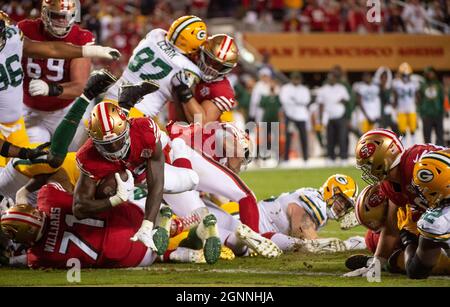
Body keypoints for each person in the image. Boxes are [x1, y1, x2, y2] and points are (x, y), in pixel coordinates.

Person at [0, 11, 119, 168]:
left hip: (19, 122)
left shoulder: (12, 36)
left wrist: (91, 51)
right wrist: (21, 152)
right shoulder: (25, 29)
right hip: (23, 115)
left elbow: (51, 49)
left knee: (46, 165)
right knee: (17, 170)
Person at [18, 0, 105, 148]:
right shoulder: (25, 29)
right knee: (35, 159)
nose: (61, 21)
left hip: (66, 110)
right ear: (44, 13)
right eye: (56, 15)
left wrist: (50, 89)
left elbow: (79, 86)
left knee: (72, 158)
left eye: (66, 16)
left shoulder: (81, 37)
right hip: (30, 110)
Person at [205, 174, 365, 254]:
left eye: (346, 205)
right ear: (331, 191)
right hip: (244, 223)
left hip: (248, 224)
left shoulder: (314, 197)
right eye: (341, 200)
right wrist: (349, 245)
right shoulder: (317, 202)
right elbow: (303, 231)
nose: (342, 207)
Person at [105, 15, 207, 118]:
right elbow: (188, 112)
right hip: (136, 114)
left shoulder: (156, 34)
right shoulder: (189, 68)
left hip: (108, 101)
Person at [316, 70, 350, 164]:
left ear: (336, 78)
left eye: (334, 77)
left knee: (342, 138)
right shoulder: (323, 89)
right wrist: (320, 118)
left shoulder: (341, 88)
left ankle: (343, 158)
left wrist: (340, 101)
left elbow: (347, 100)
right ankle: (331, 158)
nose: (332, 79)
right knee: (330, 138)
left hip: (340, 115)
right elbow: (320, 105)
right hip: (328, 116)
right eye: (330, 77)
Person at [279, 72, 310, 162]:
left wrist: (294, 100)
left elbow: (306, 101)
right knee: (288, 137)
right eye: (294, 78)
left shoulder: (304, 89)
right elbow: (284, 100)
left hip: (301, 116)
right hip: (290, 116)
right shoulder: (286, 88)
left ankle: (305, 158)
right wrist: (297, 101)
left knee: (303, 137)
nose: (296, 80)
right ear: (291, 79)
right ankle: (286, 158)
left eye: (298, 79)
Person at [392, 62, 419, 146]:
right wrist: (394, 107)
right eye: (404, 75)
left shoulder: (414, 83)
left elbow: (417, 97)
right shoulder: (396, 83)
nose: (406, 77)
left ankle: (414, 145)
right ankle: (404, 147)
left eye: (407, 75)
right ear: (400, 75)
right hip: (401, 109)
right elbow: (395, 97)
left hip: (412, 109)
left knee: (413, 130)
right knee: (402, 130)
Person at [418, 66, 445, 145]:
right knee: (427, 137)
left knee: (440, 136)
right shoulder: (422, 85)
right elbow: (419, 100)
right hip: (426, 115)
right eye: (427, 73)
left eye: (430, 72)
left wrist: (442, 110)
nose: (429, 74)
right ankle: (428, 153)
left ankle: (440, 152)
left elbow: (442, 98)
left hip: (438, 114)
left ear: (434, 73)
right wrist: (421, 112)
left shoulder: (439, 85)